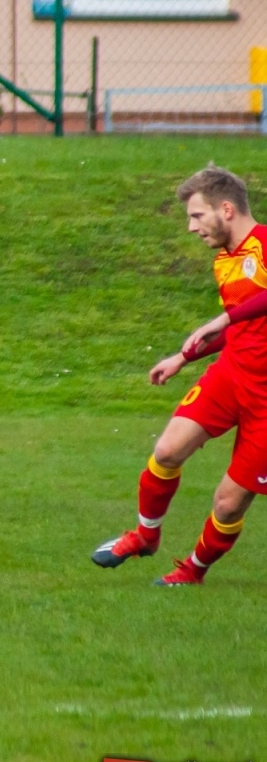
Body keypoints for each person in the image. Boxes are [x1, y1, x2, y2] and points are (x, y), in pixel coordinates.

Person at [92, 166, 267, 586]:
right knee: (167, 451)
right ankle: (145, 537)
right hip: (232, 376)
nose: (191, 228)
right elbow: (241, 329)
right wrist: (183, 358)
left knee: (227, 503)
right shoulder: (226, 262)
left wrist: (223, 317)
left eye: (197, 216)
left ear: (226, 209)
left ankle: (192, 571)